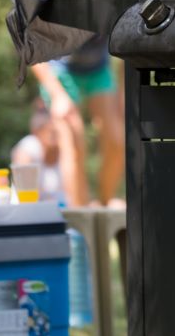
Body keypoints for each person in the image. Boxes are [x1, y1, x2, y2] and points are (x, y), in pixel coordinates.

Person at [31, 34, 124, 207]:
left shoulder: (111, 7)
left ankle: (103, 210)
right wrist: (57, 95)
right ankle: (82, 221)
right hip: (60, 69)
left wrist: (123, 93)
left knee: (116, 140)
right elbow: (29, 41)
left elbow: (129, 40)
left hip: (99, 69)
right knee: (74, 144)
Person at [11, 103, 72, 204]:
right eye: (51, 132)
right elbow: (24, 188)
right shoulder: (29, 146)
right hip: (28, 211)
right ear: (37, 132)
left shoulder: (63, 151)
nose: (55, 137)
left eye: (56, 133)